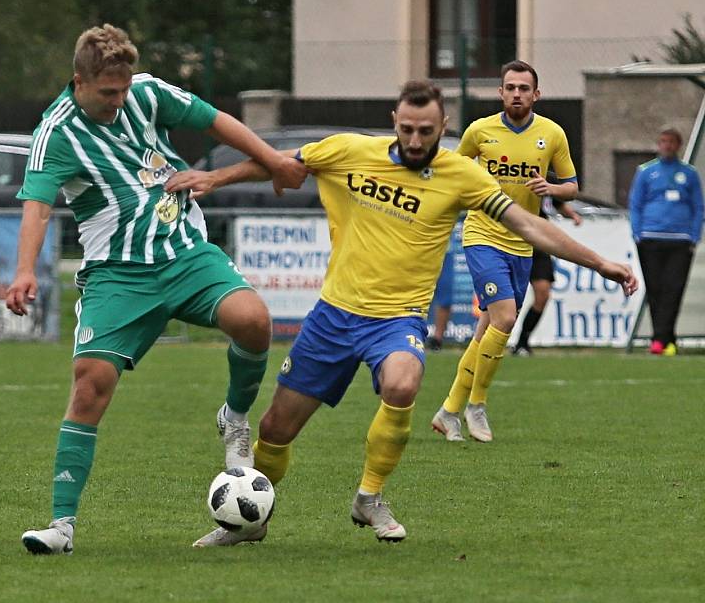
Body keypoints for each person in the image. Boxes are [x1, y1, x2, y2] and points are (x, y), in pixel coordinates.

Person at [165, 79, 637, 546]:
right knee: (275, 429)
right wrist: (214, 177)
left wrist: (601, 263)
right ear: (394, 121)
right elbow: (278, 163)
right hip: (334, 315)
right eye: (407, 129)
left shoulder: (462, 175)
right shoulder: (349, 151)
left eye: (426, 131)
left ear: (443, 126)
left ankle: (369, 497)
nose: (415, 140)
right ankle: (251, 522)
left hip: (398, 320)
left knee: (403, 382)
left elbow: (530, 224)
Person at [4, 24, 306, 555]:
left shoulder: (146, 92)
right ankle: (62, 526)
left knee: (254, 320)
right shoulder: (55, 133)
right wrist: (26, 270)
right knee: (89, 385)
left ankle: (234, 418)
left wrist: (274, 159)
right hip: (118, 274)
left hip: (184, 253)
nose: (119, 101)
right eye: (107, 93)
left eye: (123, 90)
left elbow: (217, 122)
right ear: (79, 81)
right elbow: (37, 204)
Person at [431, 60, 579, 443]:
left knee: (487, 331)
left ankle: (449, 411)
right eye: (510, 87)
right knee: (505, 317)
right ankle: (476, 405)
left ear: (536, 94)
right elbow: (453, 172)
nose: (516, 94)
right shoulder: (480, 131)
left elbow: (572, 186)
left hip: (523, 241)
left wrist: (552, 188)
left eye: (523, 88)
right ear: (500, 93)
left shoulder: (553, 133)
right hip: (482, 234)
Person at [629, 127, 704, 356]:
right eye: (663, 141)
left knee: (674, 289)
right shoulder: (645, 171)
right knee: (655, 289)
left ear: (678, 145)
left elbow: (698, 206)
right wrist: (637, 233)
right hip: (651, 238)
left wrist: (693, 235)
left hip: (680, 241)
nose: (667, 146)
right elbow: (635, 203)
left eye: (671, 142)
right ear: (658, 144)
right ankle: (664, 339)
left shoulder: (689, 173)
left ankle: (660, 339)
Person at [511, 198, 582, 356]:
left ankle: (522, 342)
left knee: (542, 294)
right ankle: (487, 342)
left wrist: (573, 215)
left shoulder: (544, 177)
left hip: (538, 243)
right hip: (511, 240)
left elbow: (558, 200)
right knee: (507, 299)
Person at [425, 251, 454, 351]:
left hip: (444, 251)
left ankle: (437, 341)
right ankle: (408, 335)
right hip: (417, 250)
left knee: (445, 298)